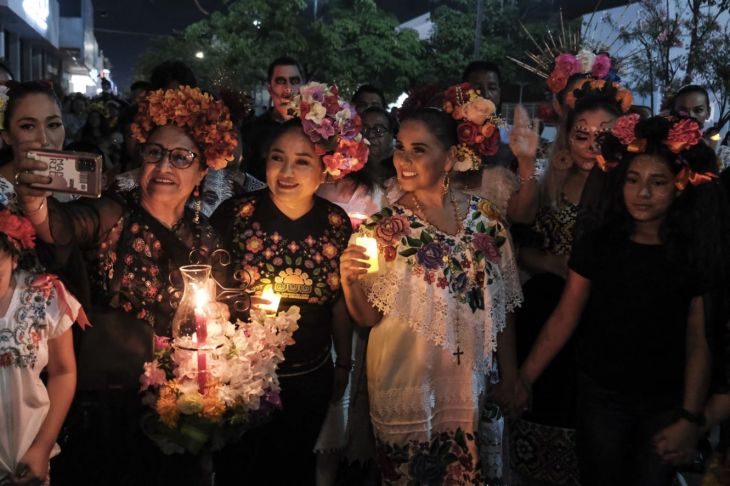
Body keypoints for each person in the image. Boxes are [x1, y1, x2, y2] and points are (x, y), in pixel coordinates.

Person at [13, 85, 236, 485]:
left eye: (181, 157)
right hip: (107, 407)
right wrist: (35, 205)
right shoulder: (114, 213)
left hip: (176, 412)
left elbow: (221, 318)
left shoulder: (207, 239)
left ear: (203, 170)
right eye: (155, 153)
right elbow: (63, 226)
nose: (164, 165)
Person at [514, 114, 729, 485]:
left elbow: (699, 340)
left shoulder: (691, 255)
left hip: (666, 397)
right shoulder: (601, 245)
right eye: (633, 180)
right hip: (602, 394)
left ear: (679, 186)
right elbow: (566, 315)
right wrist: (523, 379)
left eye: (657, 182)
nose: (642, 193)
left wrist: (691, 416)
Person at [339, 108, 523, 485]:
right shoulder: (381, 230)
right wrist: (350, 282)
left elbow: (501, 307)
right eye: (400, 148)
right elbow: (367, 319)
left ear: (451, 157)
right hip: (405, 380)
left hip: (469, 383)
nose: (404, 160)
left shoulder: (486, 221)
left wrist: (512, 375)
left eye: (419, 149)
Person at [212, 82, 366, 486]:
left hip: (308, 377)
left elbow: (337, 301)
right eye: (278, 159)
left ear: (324, 168)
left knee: (294, 469)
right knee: (238, 469)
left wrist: (344, 364)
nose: (286, 172)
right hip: (238, 381)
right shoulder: (235, 215)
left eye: (302, 162)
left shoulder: (336, 225)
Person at [511, 83, 629, 486]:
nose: (591, 145)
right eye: (581, 135)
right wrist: (527, 165)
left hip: (601, 323)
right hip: (544, 309)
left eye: (604, 136)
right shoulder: (554, 178)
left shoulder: (631, 190)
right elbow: (522, 237)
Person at [0, 208, 83, 486]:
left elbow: (63, 372)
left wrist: (42, 447)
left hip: (29, 460)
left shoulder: (43, 298)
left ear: (13, 257)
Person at [240, 56, 306, 181]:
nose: (288, 88)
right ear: (270, 88)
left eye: (294, 81)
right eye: (281, 81)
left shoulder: (317, 131)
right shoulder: (251, 131)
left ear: (303, 87)